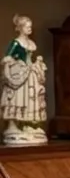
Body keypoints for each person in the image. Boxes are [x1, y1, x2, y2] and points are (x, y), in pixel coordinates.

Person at [1, 14, 48, 145]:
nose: (30, 29)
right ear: (20, 28)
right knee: (18, 98)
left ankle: (28, 124)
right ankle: (13, 125)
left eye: (30, 27)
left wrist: (37, 64)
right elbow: (7, 58)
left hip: (30, 74)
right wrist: (12, 65)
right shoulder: (16, 43)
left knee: (31, 98)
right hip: (20, 74)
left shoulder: (31, 44)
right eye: (27, 27)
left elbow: (31, 58)